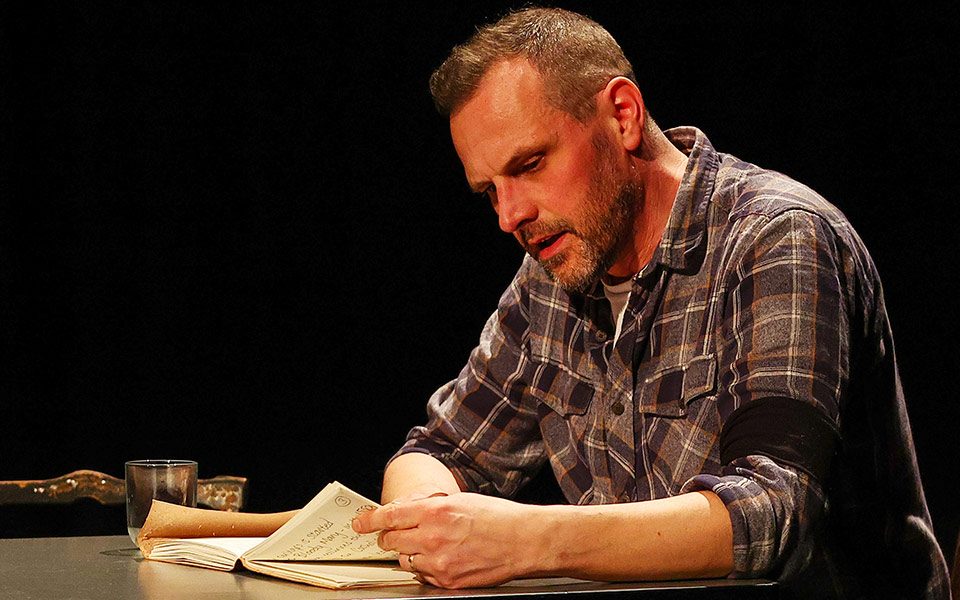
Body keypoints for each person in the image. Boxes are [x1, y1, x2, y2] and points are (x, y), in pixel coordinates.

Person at [351, 7, 950, 598]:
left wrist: (526, 540)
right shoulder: (547, 282)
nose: (510, 216)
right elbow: (440, 450)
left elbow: (773, 512)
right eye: (490, 192)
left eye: (530, 165)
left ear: (622, 115)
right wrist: (429, 522)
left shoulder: (776, 239)